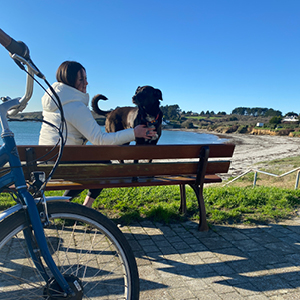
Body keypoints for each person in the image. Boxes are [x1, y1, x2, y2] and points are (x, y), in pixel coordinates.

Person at [39, 61, 156, 207]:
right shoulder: (74, 105)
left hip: (47, 160)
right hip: (63, 161)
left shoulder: (54, 101)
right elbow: (100, 140)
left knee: (97, 167)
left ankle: (63, 204)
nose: (86, 83)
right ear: (69, 80)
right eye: (81, 79)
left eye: (86, 78)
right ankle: (78, 207)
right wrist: (134, 133)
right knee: (104, 167)